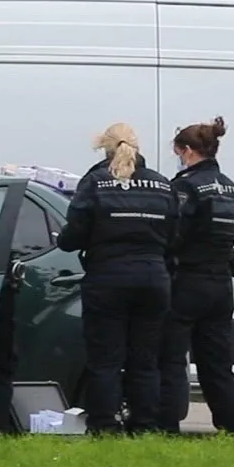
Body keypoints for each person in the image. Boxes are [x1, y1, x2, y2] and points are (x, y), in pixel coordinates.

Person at [57, 122, 179, 435]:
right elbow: (175, 236)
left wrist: (68, 239)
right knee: (145, 360)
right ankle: (144, 425)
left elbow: (73, 235)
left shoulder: (96, 182)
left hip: (108, 279)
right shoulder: (163, 185)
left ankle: (105, 425)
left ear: (104, 147)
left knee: (106, 360)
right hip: (154, 280)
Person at [156, 117, 234, 436]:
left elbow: (173, 234)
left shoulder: (185, 187)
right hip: (221, 285)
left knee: (170, 359)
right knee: (218, 366)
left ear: (186, 151)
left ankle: (165, 428)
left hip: (187, 281)